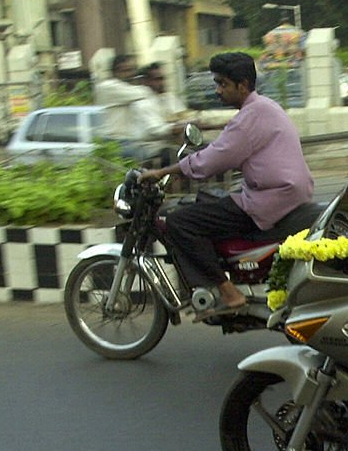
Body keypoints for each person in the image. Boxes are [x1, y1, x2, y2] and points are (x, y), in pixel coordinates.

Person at [139, 52, 318, 320]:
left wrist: (163, 172)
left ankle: (228, 292)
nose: (217, 90)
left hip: (270, 200)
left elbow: (213, 161)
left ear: (242, 85)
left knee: (180, 222)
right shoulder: (264, 108)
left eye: (223, 84)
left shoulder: (250, 117)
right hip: (285, 194)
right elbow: (225, 147)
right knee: (207, 203)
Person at [130, 63, 188, 165]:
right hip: (151, 148)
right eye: (157, 79)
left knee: (208, 149)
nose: (162, 83)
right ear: (146, 82)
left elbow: (183, 116)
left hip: (172, 144)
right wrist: (176, 127)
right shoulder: (141, 104)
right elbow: (156, 130)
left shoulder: (170, 98)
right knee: (182, 156)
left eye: (163, 79)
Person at [94, 54, 148, 158]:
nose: (132, 74)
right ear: (116, 72)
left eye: (133, 70)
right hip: (116, 141)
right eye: (127, 70)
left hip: (127, 140)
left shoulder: (124, 87)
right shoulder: (109, 87)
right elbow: (144, 93)